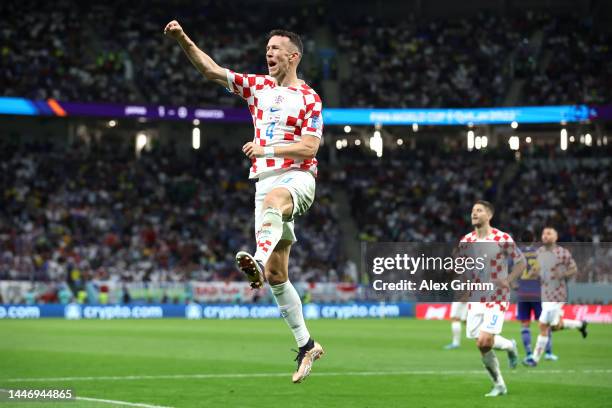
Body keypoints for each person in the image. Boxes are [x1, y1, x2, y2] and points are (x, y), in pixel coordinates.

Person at [164, 21, 324, 383]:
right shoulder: (258, 87)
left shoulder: (309, 97)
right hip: (264, 181)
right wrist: (183, 39)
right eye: (267, 48)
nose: (269, 53)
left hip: (297, 178)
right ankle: (306, 345)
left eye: (276, 49)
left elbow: (311, 147)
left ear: (293, 56)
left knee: (275, 201)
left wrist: (266, 148)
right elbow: (210, 70)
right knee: (277, 276)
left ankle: (257, 257)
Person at [458, 200, 524, 397]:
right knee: (483, 343)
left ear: (489, 215)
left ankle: (498, 385)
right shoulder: (466, 241)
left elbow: (521, 262)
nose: (474, 213)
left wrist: (509, 280)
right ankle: (508, 352)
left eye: (479, 210)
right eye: (472, 211)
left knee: (484, 341)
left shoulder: (502, 238)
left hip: (496, 297)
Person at [524, 226, 587, 366]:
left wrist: (562, 274)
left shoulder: (562, 253)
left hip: (557, 294)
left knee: (543, 325)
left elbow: (574, 269)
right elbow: (537, 268)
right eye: (543, 233)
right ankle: (580, 324)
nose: (545, 236)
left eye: (549, 233)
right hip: (545, 293)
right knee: (554, 326)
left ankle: (534, 359)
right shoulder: (539, 252)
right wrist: (533, 272)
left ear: (556, 237)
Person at [516, 230, 556, 363]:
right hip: (537, 293)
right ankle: (548, 353)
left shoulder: (516, 254)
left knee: (525, 324)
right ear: (534, 239)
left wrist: (514, 285)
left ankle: (528, 353)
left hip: (522, 293)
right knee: (544, 324)